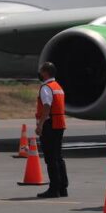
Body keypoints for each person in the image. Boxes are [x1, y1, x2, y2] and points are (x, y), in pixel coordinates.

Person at [35, 62, 68, 199]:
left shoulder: (46, 88)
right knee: (58, 157)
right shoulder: (58, 87)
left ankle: (54, 188)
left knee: (50, 158)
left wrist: (40, 125)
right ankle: (62, 187)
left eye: (41, 71)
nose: (40, 74)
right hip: (59, 124)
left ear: (45, 72)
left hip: (50, 125)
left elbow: (47, 106)